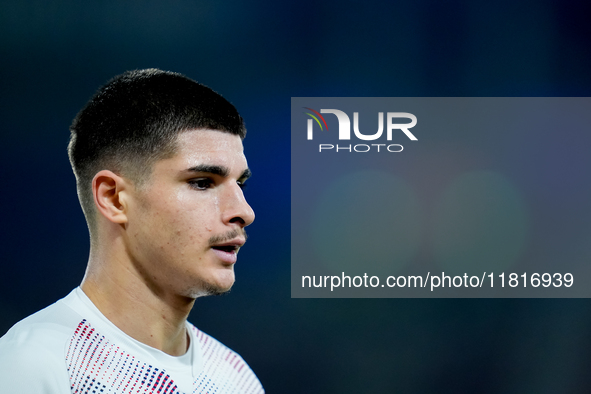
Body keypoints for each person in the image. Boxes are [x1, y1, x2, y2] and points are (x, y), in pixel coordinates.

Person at [0, 69, 264, 393]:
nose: (244, 212)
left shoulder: (235, 379)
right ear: (114, 198)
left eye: (240, 184)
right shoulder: (33, 366)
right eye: (202, 182)